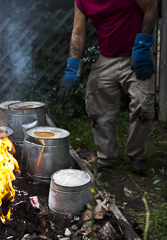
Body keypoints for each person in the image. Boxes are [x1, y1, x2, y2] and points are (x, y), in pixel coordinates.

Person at [58, 0, 157, 173]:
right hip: (107, 58)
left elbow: (150, 10)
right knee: (97, 105)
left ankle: (136, 155)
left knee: (143, 104)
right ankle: (108, 157)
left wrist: (142, 46)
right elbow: (79, 32)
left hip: (135, 55)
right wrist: (73, 66)